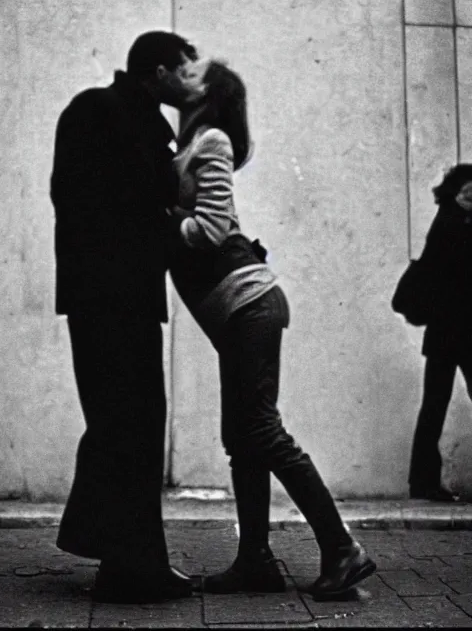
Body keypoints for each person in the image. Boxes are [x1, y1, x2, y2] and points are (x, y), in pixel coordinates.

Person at [167, 58, 377, 599]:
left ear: (210, 93)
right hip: (240, 309)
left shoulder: (210, 139)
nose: (186, 74)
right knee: (242, 439)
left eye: (196, 72)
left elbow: (212, 227)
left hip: (248, 304)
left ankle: (342, 549)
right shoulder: (188, 143)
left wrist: (161, 218)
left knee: (260, 431)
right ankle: (255, 561)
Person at [50, 30, 199, 604]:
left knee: (130, 424)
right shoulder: (99, 109)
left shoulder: (139, 120)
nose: (193, 82)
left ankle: (124, 560)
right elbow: (84, 197)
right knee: (125, 423)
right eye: (186, 71)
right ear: (158, 72)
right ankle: (133, 564)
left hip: (124, 296)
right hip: (105, 295)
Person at [408, 164, 472, 502]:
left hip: (447, 331)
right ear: (455, 192)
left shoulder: (451, 219)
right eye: (467, 192)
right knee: (434, 405)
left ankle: (422, 481)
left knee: (433, 405)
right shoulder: (451, 221)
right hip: (453, 330)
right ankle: (423, 481)